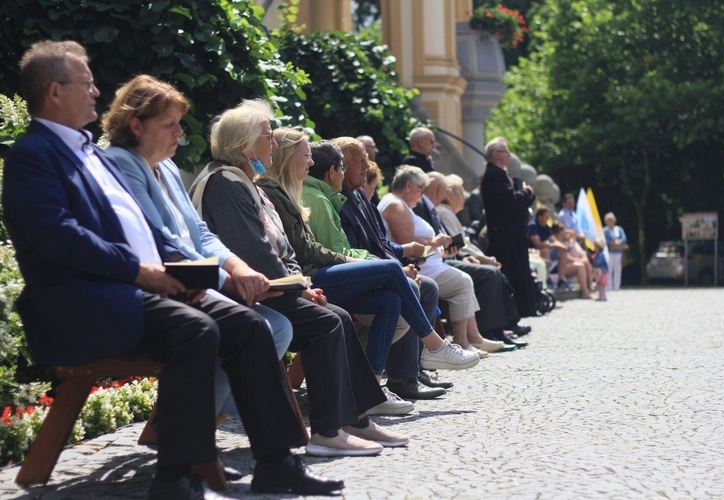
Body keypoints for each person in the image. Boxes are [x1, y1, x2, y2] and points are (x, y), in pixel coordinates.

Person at [3, 41, 341, 497]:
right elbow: (59, 236)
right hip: (83, 302)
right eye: (86, 83)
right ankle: (177, 479)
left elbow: (147, 229)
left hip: (138, 289)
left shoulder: (91, 154)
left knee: (249, 325)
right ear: (55, 91)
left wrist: (182, 272)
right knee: (197, 330)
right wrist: (142, 272)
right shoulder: (33, 155)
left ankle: (277, 462)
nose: (96, 90)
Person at [188, 99, 417, 457]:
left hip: (275, 285)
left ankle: (356, 419)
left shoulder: (248, 182)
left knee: (337, 316)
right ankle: (327, 431)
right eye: (267, 137)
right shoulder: (225, 184)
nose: (273, 145)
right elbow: (254, 252)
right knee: (327, 322)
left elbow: (284, 248)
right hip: (248, 292)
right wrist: (300, 288)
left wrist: (302, 284)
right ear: (245, 145)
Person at [102, 75, 294, 423]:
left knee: (278, 326)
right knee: (262, 328)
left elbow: (200, 234)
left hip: (196, 279)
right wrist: (226, 279)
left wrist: (239, 268)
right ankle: (198, 434)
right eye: (169, 124)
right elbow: (159, 239)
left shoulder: (169, 168)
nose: (180, 133)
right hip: (162, 286)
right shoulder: (120, 163)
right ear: (136, 125)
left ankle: (194, 429)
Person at [258, 129, 477, 406]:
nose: (311, 163)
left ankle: (373, 391)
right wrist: (362, 262)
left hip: (311, 274)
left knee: (389, 299)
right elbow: (309, 252)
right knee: (393, 272)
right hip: (307, 278)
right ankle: (433, 346)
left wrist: (372, 260)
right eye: (305, 156)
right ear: (289, 158)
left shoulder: (302, 192)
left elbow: (323, 248)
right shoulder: (303, 195)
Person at [334, 138, 454, 399]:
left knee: (426, 286)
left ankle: (411, 372)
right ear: (339, 167)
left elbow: (379, 244)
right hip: (350, 276)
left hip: (372, 268)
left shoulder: (359, 197)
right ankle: (403, 375)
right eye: (360, 161)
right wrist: (397, 268)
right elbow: (350, 249)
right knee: (407, 289)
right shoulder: (340, 200)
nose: (367, 166)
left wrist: (402, 258)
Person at [379, 166, 503, 355]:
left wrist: (441, 249)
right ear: (409, 186)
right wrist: (436, 243)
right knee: (463, 282)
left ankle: (472, 337)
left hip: (430, 263)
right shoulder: (396, 205)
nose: (422, 194)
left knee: (464, 279)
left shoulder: (401, 204)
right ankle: (463, 341)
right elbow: (407, 244)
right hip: (420, 268)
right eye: (421, 189)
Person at [417, 172, 526, 348]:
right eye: (461, 193)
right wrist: (476, 257)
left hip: (445, 259)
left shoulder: (437, 210)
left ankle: (500, 328)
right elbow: (450, 243)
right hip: (436, 263)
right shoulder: (439, 211)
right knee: (487, 274)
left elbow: (453, 244)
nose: (465, 198)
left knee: (493, 274)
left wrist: (469, 255)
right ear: (445, 192)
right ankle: (486, 331)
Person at [481, 137, 538, 317]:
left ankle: (523, 310)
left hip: (514, 233)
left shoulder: (501, 174)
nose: (509, 155)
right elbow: (511, 200)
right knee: (512, 273)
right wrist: (527, 191)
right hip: (505, 235)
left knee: (520, 271)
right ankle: (513, 315)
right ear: (496, 154)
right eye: (506, 151)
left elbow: (517, 200)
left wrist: (524, 194)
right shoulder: (492, 175)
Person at [551, 223, 595, 299]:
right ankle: (585, 292)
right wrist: (579, 260)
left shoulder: (564, 242)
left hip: (563, 266)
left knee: (585, 265)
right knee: (580, 266)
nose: (564, 234)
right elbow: (565, 259)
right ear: (557, 233)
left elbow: (573, 233)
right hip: (556, 269)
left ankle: (588, 289)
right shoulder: (556, 243)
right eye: (562, 233)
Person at [603, 212, 629, 290]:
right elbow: (605, 240)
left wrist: (619, 242)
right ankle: (609, 286)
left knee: (618, 269)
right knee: (609, 269)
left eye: (611, 220)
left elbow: (624, 238)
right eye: (608, 221)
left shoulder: (619, 229)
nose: (610, 222)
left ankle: (617, 286)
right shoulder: (604, 230)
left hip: (618, 252)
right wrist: (612, 243)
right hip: (609, 252)